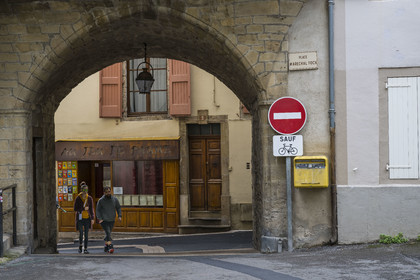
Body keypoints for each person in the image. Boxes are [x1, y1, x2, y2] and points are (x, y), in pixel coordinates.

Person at [96, 186, 122, 253]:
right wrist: (100, 218)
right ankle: (110, 246)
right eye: (106, 192)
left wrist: (119, 216)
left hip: (112, 219)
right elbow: (98, 210)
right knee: (108, 232)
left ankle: (106, 246)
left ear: (111, 191)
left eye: (109, 192)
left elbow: (118, 208)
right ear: (104, 193)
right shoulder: (101, 200)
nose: (108, 193)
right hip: (104, 220)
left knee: (108, 233)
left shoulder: (114, 199)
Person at [73, 182, 94, 254]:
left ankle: (85, 248)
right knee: (81, 233)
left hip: (87, 218)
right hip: (80, 218)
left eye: (86, 190)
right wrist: (83, 208)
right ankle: (80, 246)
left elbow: (91, 209)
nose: (85, 192)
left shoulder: (89, 198)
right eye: (84, 190)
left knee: (86, 234)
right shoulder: (78, 198)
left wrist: (92, 218)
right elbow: (75, 208)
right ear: (81, 190)